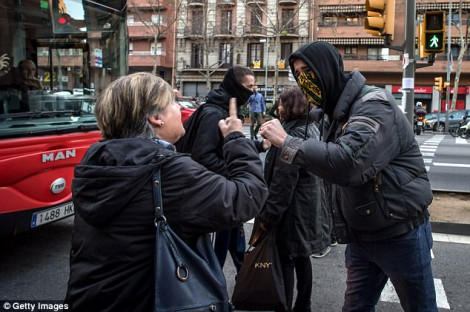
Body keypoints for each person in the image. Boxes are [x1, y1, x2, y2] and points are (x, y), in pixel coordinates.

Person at [64, 72, 268, 311]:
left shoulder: (94, 161)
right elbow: (248, 196)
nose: (180, 108)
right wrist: (235, 139)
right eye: (172, 102)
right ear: (156, 117)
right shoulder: (171, 171)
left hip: (90, 299)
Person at [259, 41, 437, 312]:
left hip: (401, 233)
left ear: (328, 69)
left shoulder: (373, 104)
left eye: (309, 71)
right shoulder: (332, 112)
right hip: (361, 235)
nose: (304, 80)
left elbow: (348, 163)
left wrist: (287, 141)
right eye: (298, 74)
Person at [176, 66, 256, 274]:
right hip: (215, 196)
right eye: (249, 87)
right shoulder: (214, 114)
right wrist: (235, 173)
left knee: (235, 248)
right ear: (235, 87)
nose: (253, 91)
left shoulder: (221, 111)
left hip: (222, 193)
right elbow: (204, 157)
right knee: (214, 258)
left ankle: (242, 291)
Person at [258, 86, 331, 312]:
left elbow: (283, 182)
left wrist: (268, 216)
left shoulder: (290, 137)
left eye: (280, 103)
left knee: (286, 260)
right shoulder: (310, 129)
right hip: (309, 206)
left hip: (292, 211)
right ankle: (303, 305)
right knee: (302, 257)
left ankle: (285, 306)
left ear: (289, 106)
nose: (277, 107)